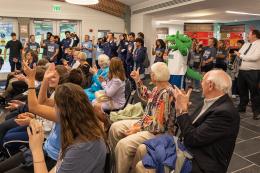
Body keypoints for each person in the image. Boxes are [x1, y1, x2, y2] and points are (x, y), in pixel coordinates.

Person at [136, 70, 240, 173]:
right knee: (142, 148)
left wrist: (182, 111)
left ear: (210, 85)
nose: (200, 83)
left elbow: (192, 139)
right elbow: (192, 128)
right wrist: (181, 109)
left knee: (143, 167)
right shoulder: (211, 101)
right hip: (190, 147)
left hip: (201, 161)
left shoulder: (225, 112)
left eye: (202, 80)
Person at [108, 62, 174, 173]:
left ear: (155, 76)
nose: (151, 75)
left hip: (157, 133)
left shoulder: (166, 94)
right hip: (146, 122)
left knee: (123, 145)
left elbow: (159, 126)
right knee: (115, 127)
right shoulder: (157, 88)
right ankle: (121, 163)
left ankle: (121, 168)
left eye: (152, 73)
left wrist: (138, 129)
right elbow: (147, 95)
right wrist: (138, 80)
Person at [28, 83, 106, 173]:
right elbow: (59, 166)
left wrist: (36, 149)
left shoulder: (82, 146)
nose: (54, 109)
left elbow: (35, 106)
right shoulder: (79, 130)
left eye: (55, 106)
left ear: (64, 112)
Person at [235, 29, 260, 119]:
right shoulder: (246, 44)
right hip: (242, 71)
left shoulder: (259, 44)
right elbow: (239, 53)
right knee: (242, 90)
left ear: (254, 35)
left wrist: (241, 56)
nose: (247, 36)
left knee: (254, 92)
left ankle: (256, 111)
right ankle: (242, 107)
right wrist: (241, 55)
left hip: (253, 71)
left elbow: (255, 57)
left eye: (249, 34)